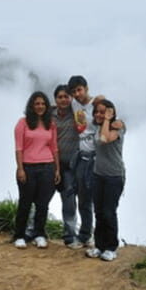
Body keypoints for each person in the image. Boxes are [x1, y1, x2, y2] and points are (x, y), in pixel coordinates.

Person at [13, 91, 60, 249]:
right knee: (25, 203)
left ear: (47, 106)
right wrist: (20, 169)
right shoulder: (23, 123)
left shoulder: (50, 124)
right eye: (37, 104)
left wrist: (57, 170)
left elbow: (54, 148)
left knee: (42, 204)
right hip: (28, 166)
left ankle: (39, 234)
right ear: (31, 106)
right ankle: (19, 235)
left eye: (43, 104)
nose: (40, 106)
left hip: (47, 166)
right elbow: (19, 148)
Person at [85, 99, 126, 261]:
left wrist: (108, 119)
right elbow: (98, 98)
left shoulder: (118, 127)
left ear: (111, 112)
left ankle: (111, 247)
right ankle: (99, 245)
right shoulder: (97, 126)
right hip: (98, 174)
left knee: (109, 212)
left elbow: (104, 139)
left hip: (114, 176)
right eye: (97, 112)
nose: (98, 115)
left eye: (102, 112)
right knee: (99, 212)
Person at [67, 75, 97, 249]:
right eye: (74, 91)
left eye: (79, 89)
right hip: (82, 157)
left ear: (86, 88)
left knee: (97, 200)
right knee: (83, 199)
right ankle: (85, 235)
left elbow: (112, 116)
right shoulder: (75, 104)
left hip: (96, 157)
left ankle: (98, 237)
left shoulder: (97, 105)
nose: (77, 94)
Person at [51, 84, 81, 247]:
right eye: (60, 97)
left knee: (69, 201)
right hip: (50, 163)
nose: (63, 99)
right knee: (40, 198)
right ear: (55, 99)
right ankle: (34, 231)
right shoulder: (50, 115)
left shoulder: (77, 115)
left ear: (71, 99)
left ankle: (70, 236)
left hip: (70, 165)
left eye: (66, 97)